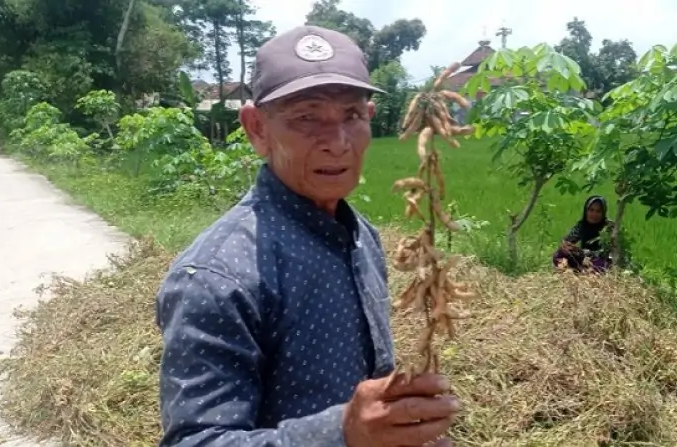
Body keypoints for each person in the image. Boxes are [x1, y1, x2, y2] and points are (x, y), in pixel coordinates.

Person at [154, 25, 459, 447]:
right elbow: (195, 441)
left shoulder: (361, 237)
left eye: (351, 115)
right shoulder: (215, 277)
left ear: (369, 119)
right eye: (306, 117)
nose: (336, 143)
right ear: (257, 128)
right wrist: (340, 433)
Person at [552, 195, 613, 273]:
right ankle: (577, 270)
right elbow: (569, 239)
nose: (594, 214)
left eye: (598, 211)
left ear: (603, 212)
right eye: (591, 210)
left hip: (599, 260)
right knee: (559, 254)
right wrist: (566, 246)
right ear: (586, 211)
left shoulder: (609, 227)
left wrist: (583, 252)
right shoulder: (582, 224)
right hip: (583, 258)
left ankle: (581, 271)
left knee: (601, 264)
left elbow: (607, 253)